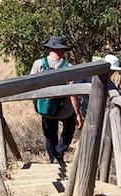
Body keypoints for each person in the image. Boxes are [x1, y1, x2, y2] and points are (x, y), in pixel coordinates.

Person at [30, 35, 84, 163]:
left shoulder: (38, 64)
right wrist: (77, 114)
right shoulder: (68, 67)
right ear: (62, 50)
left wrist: (37, 102)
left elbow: (30, 86)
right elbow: (73, 93)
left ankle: (53, 159)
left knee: (49, 136)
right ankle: (60, 152)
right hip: (64, 110)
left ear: (49, 48)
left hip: (45, 108)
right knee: (70, 126)